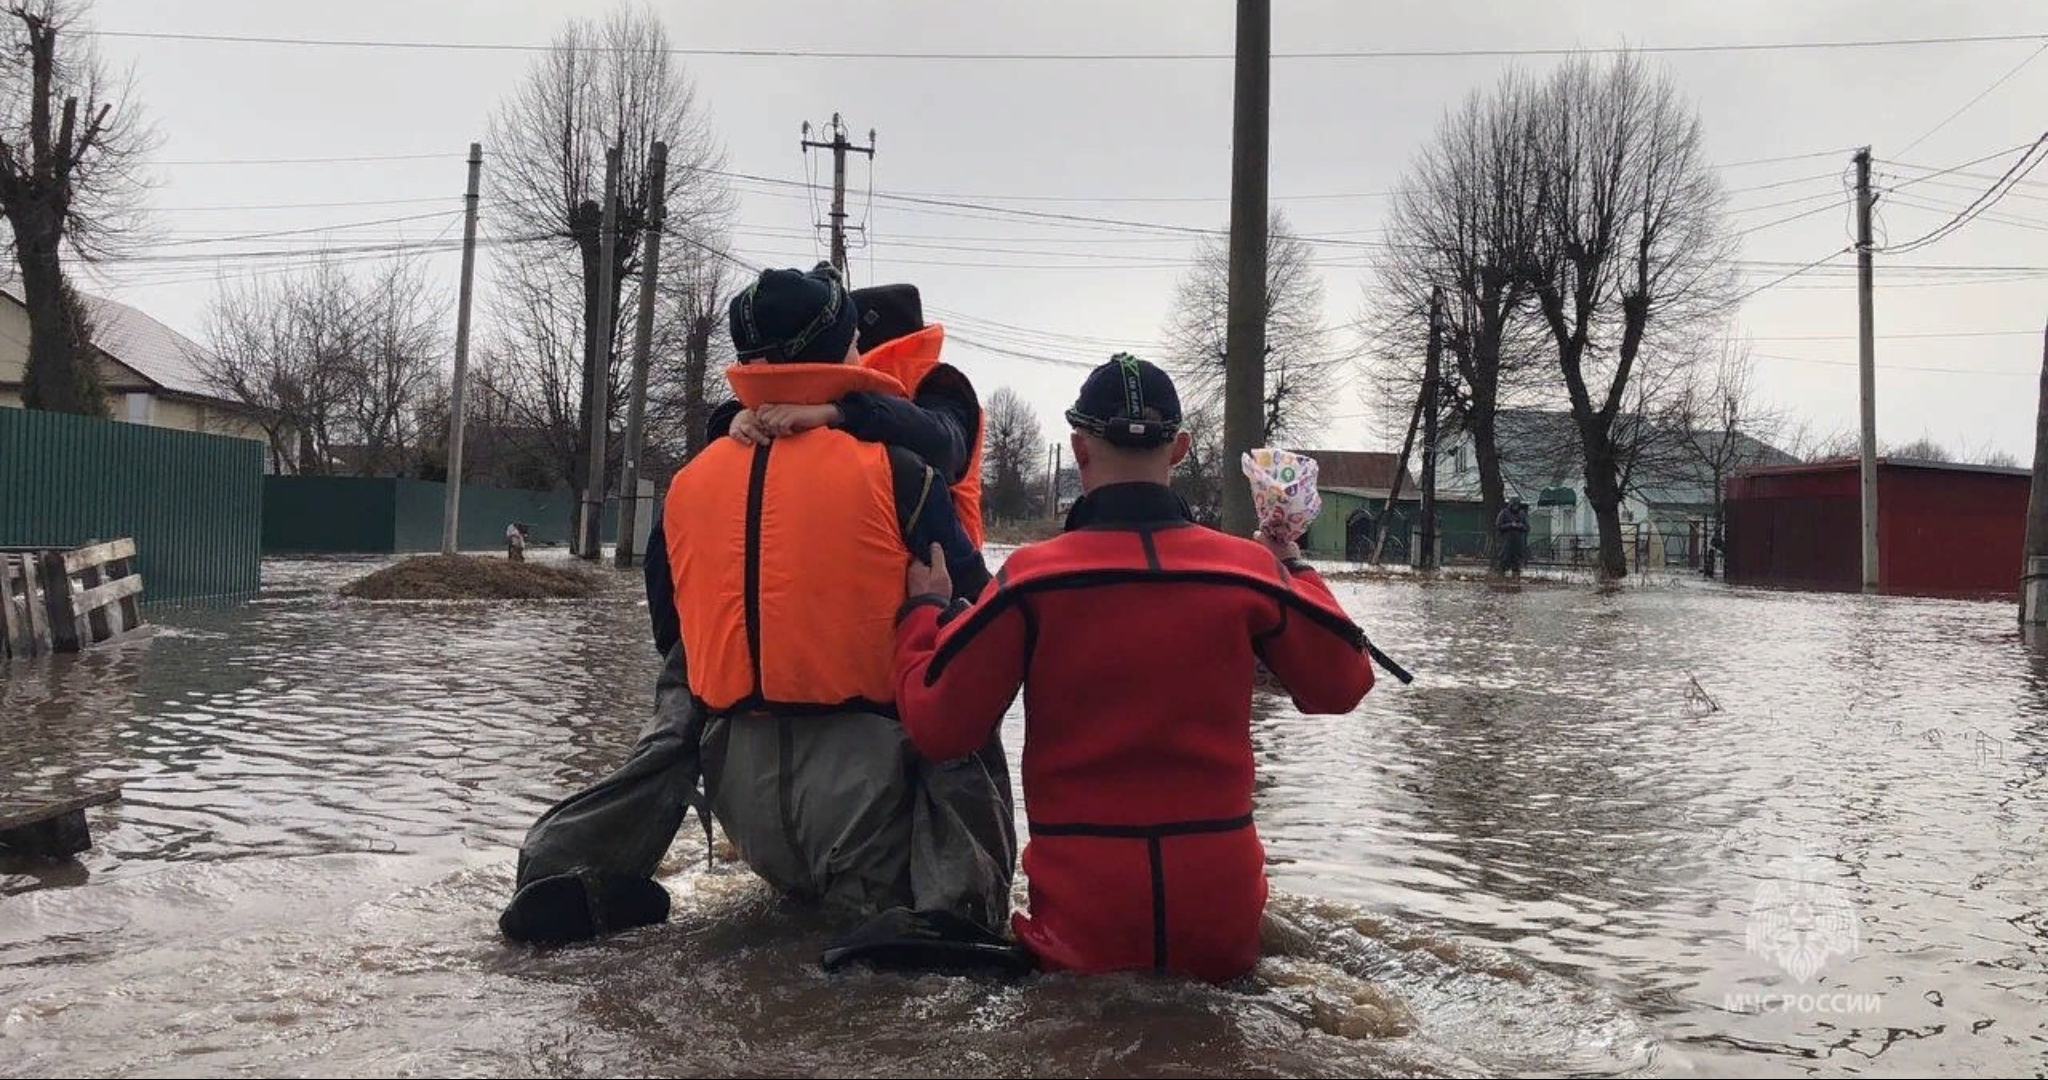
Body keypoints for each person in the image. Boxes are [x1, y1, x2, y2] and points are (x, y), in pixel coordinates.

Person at [889, 353, 1385, 985]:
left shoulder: (1031, 580)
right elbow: (1345, 683)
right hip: (1221, 914)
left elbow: (939, 727)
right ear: (1179, 449)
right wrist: (1294, 566)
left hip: (1086, 920)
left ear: (1079, 448)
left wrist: (922, 615)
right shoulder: (1246, 572)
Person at [663, 263, 1018, 968]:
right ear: (846, 350)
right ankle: (962, 911)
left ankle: (590, 856)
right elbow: (988, 629)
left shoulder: (692, 479)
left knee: (677, 686)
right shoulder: (899, 468)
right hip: (866, 789)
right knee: (960, 687)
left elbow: (667, 621)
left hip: (742, 792)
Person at [1495, 496, 1530, 577]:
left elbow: (1527, 527)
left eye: (1517, 505)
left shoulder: (1521, 514)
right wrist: (1510, 525)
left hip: (1517, 543)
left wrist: (1520, 526)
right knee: (1504, 560)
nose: (1515, 507)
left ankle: (1516, 577)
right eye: (1514, 505)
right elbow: (1498, 526)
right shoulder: (1504, 513)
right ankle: (1501, 576)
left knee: (1516, 562)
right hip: (1506, 542)